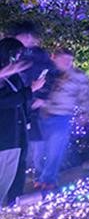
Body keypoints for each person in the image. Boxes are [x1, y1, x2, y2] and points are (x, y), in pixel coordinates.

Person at [6, 21, 53, 204]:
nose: (29, 40)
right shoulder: (9, 55)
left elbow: (49, 76)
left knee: (21, 154)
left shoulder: (37, 56)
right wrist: (31, 91)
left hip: (24, 113)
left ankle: (14, 197)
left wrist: (40, 96)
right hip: (12, 114)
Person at [34, 49, 89, 190]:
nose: (67, 63)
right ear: (54, 58)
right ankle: (40, 176)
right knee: (37, 152)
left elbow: (85, 95)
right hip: (40, 115)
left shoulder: (77, 76)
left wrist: (83, 113)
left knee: (55, 150)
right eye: (63, 59)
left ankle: (48, 180)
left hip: (61, 116)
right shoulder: (46, 72)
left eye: (69, 60)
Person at [0, 38, 34, 203]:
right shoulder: (4, 74)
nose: (19, 58)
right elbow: (4, 101)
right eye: (17, 54)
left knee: (16, 166)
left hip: (16, 128)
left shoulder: (12, 75)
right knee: (5, 169)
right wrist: (30, 90)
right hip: (5, 131)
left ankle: (14, 199)